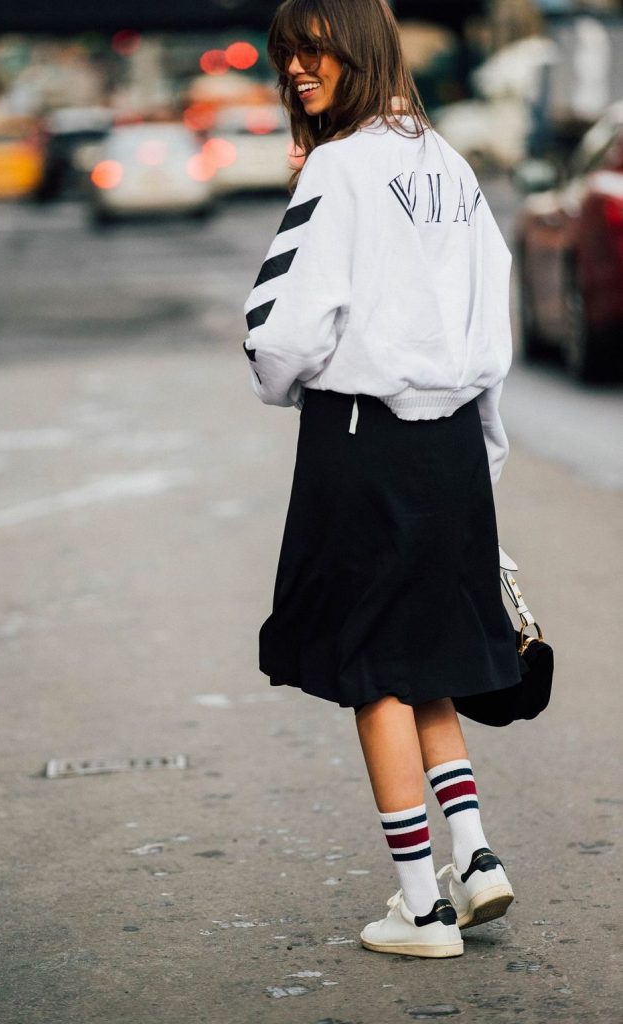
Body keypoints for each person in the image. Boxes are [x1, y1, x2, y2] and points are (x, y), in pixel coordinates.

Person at [242, 0, 522, 959]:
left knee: (370, 669)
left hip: (359, 438)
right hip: (448, 442)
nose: (294, 70)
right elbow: (493, 318)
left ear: (354, 47)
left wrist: (278, 382)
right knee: (426, 653)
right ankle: (476, 859)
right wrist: (483, 450)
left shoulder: (339, 166)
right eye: (284, 56)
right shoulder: (447, 163)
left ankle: (421, 906)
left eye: (309, 49)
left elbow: (283, 326)